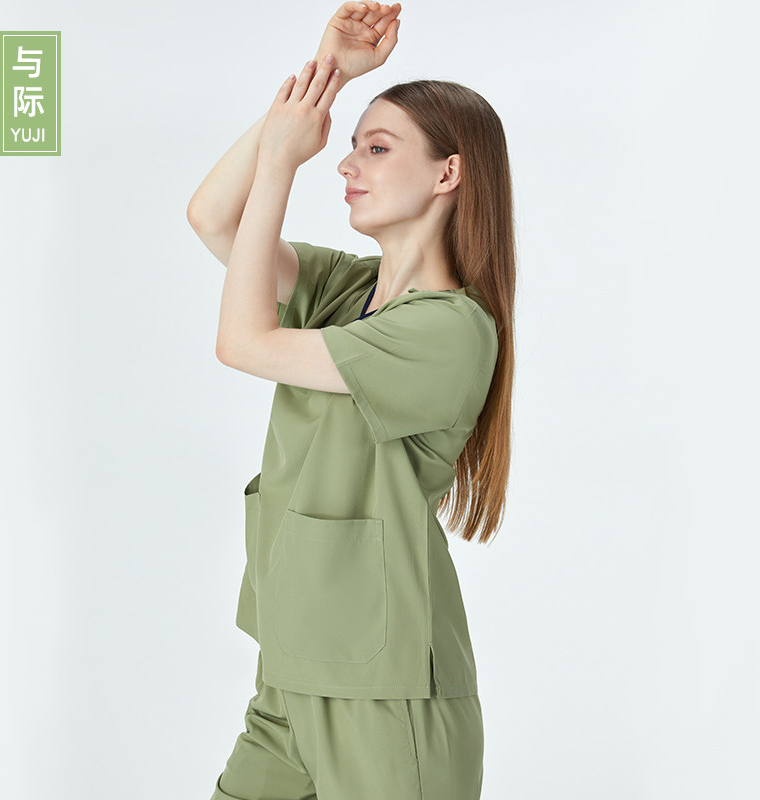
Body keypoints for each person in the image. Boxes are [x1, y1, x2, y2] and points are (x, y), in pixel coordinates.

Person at [186, 2, 516, 798]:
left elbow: (244, 343)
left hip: (388, 698)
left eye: (376, 147)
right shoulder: (346, 288)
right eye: (351, 145)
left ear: (448, 173)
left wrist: (281, 164)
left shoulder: (450, 330)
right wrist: (324, 78)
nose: (345, 164)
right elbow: (212, 216)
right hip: (290, 676)